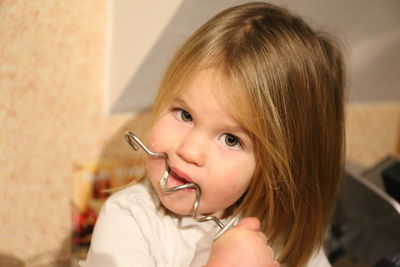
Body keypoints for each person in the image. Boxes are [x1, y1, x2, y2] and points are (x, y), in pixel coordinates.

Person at [85, 2, 345, 267]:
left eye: (231, 140)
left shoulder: (283, 235)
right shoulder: (129, 219)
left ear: (278, 168)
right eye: (185, 115)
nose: (190, 151)